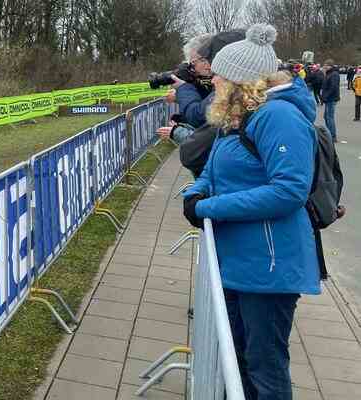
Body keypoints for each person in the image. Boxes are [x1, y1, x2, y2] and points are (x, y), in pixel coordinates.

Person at [182, 24, 320, 400]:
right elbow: (214, 168)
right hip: (237, 261)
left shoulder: (279, 117)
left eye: (221, 75)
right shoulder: (239, 115)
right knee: (238, 361)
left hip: (268, 266)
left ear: (242, 80)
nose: (215, 82)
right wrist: (195, 194)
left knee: (264, 366)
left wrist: (209, 207)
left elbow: (289, 190)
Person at [321, 59, 341, 140]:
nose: (325, 67)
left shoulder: (334, 74)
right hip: (329, 98)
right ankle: (330, 133)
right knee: (326, 117)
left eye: (326, 65)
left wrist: (325, 96)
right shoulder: (329, 73)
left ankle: (332, 135)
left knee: (329, 117)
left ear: (330, 66)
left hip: (331, 98)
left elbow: (333, 87)